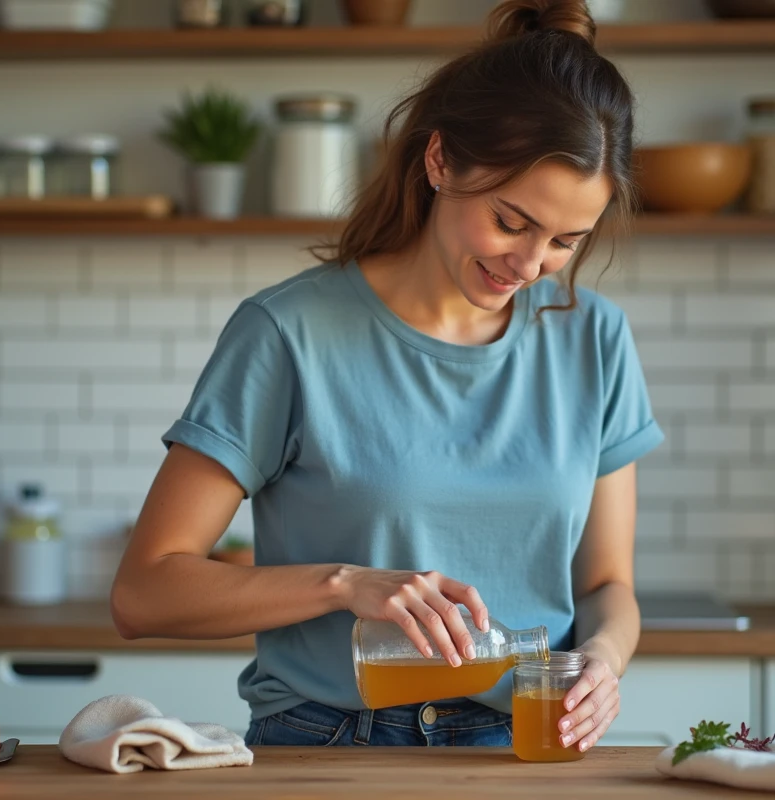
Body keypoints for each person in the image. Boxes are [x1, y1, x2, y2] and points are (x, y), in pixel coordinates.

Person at [110, 0, 663, 751]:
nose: (530, 265)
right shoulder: (288, 334)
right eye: (510, 221)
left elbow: (606, 588)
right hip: (332, 740)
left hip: (524, 748)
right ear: (439, 161)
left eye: (566, 240)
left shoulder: (594, 338)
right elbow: (145, 593)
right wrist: (345, 583)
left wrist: (602, 659)